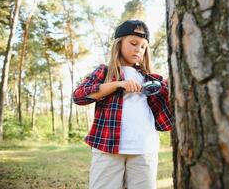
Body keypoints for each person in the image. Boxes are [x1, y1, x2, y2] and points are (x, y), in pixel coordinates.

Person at [73, 19, 174, 189]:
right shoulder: (105, 71)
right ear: (119, 44)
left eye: (143, 46)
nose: (138, 49)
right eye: (133, 43)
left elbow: (166, 116)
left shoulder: (152, 79)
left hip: (144, 148)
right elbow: (80, 96)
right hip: (108, 147)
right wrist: (118, 84)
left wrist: (170, 86)